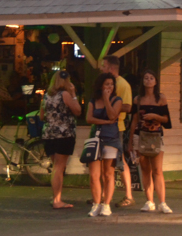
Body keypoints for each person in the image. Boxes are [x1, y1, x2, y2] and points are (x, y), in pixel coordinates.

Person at [127, 69, 172, 213]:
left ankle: (162, 202)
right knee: (145, 169)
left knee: (157, 170)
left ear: (156, 81)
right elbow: (134, 120)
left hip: (156, 136)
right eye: (146, 78)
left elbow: (166, 119)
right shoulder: (138, 99)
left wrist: (155, 116)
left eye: (151, 78)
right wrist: (130, 141)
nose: (148, 80)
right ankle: (149, 201)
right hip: (140, 135)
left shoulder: (161, 98)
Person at [41, 70, 81, 209]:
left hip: (49, 134)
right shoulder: (65, 95)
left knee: (56, 167)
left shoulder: (46, 96)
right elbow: (77, 111)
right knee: (59, 167)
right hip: (64, 134)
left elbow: (41, 116)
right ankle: (57, 200)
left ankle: (55, 197)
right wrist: (74, 94)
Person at [85, 72, 122, 217]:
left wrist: (106, 99)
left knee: (108, 173)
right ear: (100, 86)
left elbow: (113, 115)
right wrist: (105, 122)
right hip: (95, 139)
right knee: (94, 174)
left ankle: (106, 204)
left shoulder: (117, 100)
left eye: (112, 84)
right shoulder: (93, 101)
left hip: (111, 139)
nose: (109, 87)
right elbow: (89, 118)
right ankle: (96, 203)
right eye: (107, 84)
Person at [100, 55, 135, 207]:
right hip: (103, 127)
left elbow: (128, 107)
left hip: (117, 127)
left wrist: (113, 106)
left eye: (104, 66)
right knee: (103, 161)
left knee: (119, 161)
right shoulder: (103, 84)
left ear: (111, 68)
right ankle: (103, 195)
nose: (101, 69)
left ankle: (129, 195)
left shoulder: (123, 84)